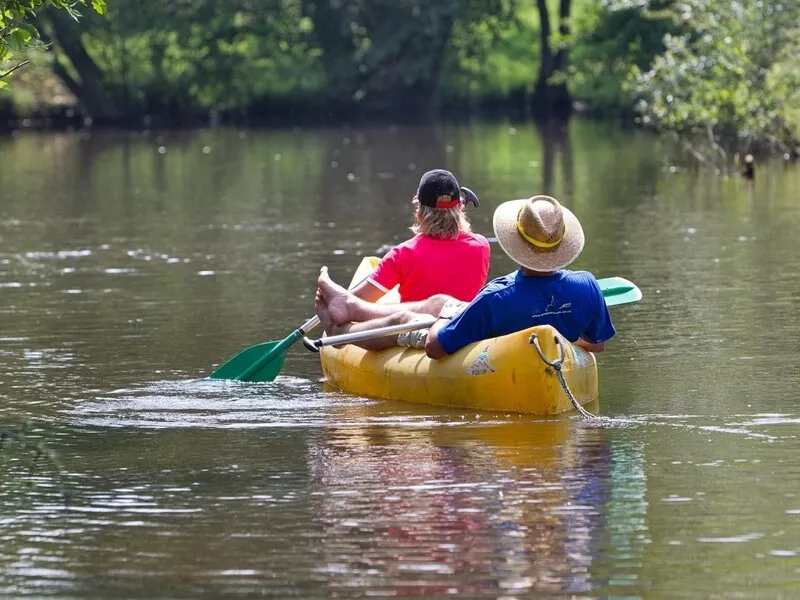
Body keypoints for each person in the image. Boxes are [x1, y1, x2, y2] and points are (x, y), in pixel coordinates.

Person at [315, 195, 615, 356]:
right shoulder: (588, 285)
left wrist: (444, 322)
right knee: (440, 301)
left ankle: (340, 333)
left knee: (407, 322)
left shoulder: (496, 296)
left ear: (516, 243)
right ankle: (354, 307)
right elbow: (596, 344)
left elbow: (435, 347)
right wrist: (560, 338)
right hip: (518, 332)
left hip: (481, 341)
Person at [339, 168, 490, 305]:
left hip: (415, 333)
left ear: (420, 212)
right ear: (460, 208)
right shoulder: (482, 246)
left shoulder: (401, 254)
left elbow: (353, 302)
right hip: (464, 330)